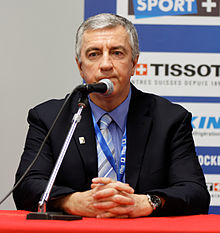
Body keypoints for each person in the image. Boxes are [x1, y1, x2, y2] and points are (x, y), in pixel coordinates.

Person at [13, 13, 210, 218]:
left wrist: (147, 202)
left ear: (134, 63)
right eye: (94, 54)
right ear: (80, 66)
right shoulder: (49, 118)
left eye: (117, 53)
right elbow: (26, 188)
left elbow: (196, 194)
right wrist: (72, 201)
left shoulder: (170, 119)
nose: (106, 65)